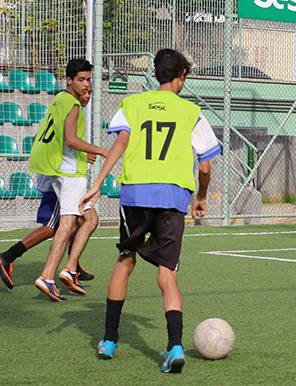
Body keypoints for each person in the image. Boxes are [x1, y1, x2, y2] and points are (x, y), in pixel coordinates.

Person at [81, 48, 220, 373]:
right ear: (182, 75)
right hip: (172, 196)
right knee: (167, 274)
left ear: (155, 74)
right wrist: (201, 197)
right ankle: (174, 347)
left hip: (135, 193)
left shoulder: (133, 104)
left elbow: (121, 142)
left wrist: (98, 182)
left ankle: (109, 340)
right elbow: (205, 165)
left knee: (124, 261)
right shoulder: (191, 112)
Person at [0, 89, 95, 289]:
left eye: (90, 91)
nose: (87, 94)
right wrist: (87, 152)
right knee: (54, 226)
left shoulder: (58, 110)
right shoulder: (70, 110)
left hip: (52, 172)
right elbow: (68, 142)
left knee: (81, 219)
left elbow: (40, 139)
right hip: (59, 176)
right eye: (84, 88)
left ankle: (74, 265)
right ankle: (8, 256)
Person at [29, 58, 108, 302]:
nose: (86, 86)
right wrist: (103, 151)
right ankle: (48, 276)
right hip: (70, 172)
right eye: (81, 80)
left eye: (89, 81)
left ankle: (71, 268)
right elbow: (71, 139)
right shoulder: (72, 104)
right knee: (67, 224)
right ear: (69, 80)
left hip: (58, 167)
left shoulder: (60, 100)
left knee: (90, 218)